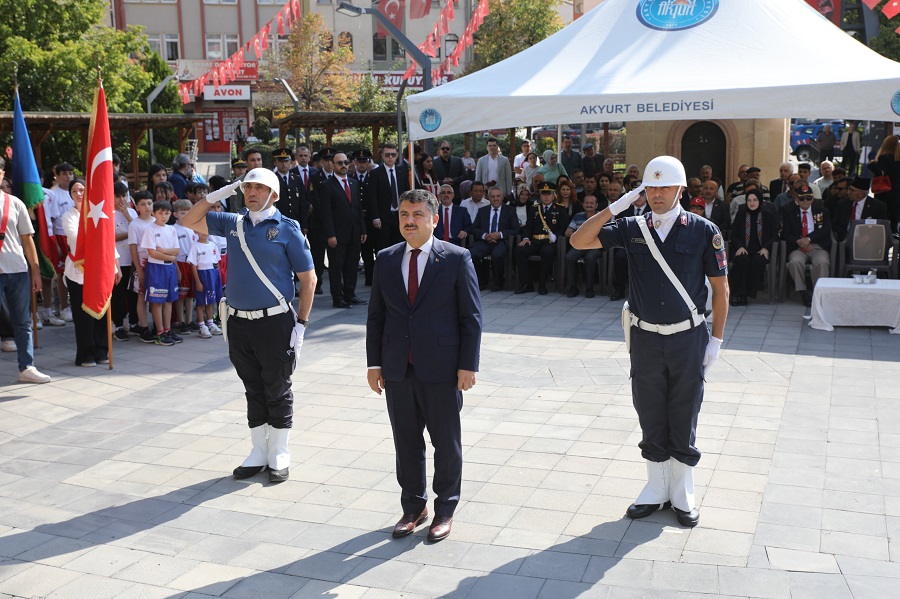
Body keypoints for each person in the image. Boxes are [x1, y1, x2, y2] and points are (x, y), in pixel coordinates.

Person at [571, 155, 729, 528]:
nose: (657, 194)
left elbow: (721, 290)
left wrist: (716, 340)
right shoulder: (632, 227)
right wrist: (618, 205)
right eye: (650, 187)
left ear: (680, 190)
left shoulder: (704, 230)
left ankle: (683, 488)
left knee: (684, 408)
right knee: (650, 408)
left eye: (664, 187)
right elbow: (579, 241)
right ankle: (655, 488)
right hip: (644, 336)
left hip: (688, 337)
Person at [182, 168, 316, 483]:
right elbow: (189, 221)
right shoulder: (232, 222)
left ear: (274, 195)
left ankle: (279, 451)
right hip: (239, 321)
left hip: (275, 321)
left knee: (277, 387)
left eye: (259, 188)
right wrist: (218, 194)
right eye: (248, 187)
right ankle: (258, 450)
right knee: (252, 387)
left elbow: (308, 280)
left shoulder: (287, 230)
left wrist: (302, 325)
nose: (251, 192)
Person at [366, 188, 483, 543]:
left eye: (417, 214)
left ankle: (445, 509)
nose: (409, 221)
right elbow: (376, 317)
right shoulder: (386, 258)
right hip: (398, 368)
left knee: (446, 443)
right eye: (403, 214)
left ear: (434, 219)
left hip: (443, 368)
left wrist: (467, 365)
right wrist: (375, 364)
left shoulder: (456, 258)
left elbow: (471, 317)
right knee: (406, 442)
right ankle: (414, 507)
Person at [0, 157, 52, 383]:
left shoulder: (15, 203)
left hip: (17, 270)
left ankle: (26, 367)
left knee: (22, 320)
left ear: (2, 173)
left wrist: (35, 270)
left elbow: (27, 239)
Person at [61, 179, 122, 365]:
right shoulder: (68, 216)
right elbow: (77, 238)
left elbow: (107, 241)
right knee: (83, 316)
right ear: (70, 195)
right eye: (74, 191)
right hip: (78, 271)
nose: (79, 193)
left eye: (82, 190)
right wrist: (96, 231)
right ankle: (86, 354)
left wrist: (115, 265)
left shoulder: (100, 212)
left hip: (100, 269)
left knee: (101, 311)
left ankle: (102, 350)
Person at [319, 152, 367, 309]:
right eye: (340, 163)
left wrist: (363, 230)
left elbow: (358, 209)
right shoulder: (326, 185)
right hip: (337, 236)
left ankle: (350, 294)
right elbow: (325, 213)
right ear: (333, 165)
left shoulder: (353, 183)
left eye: (346, 162)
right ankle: (338, 298)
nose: (344, 165)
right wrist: (330, 234)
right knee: (336, 268)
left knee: (352, 266)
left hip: (354, 233)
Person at [515, 181, 569, 295]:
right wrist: (525, 238)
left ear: (553, 195)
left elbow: (563, 228)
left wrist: (556, 237)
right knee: (520, 251)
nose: (546, 197)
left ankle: (542, 284)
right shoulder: (535, 208)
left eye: (548, 194)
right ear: (540, 195)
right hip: (534, 241)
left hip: (549, 242)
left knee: (547, 252)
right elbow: (528, 227)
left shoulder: (560, 209)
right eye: (543, 194)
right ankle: (526, 283)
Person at [781, 183, 831, 307]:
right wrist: (799, 241)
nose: (805, 201)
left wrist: (809, 239)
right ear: (797, 199)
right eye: (802, 198)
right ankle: (803, 292)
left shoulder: (822, 211)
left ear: (813, 199)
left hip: (817, 246)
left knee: (822, 262)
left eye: (808, 198)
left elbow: (826, 229)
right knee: (794, 262)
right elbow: (785, 234)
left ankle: (817, 292)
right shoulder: (789, 213)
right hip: (798, 247)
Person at [141, 200, 181, 345]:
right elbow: (152, 252)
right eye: (160, 213)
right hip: (156, 268)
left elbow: (177, 250)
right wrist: (169, 256)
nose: (164, 216)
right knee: (157, 301)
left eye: (166, 213)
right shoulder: (150, 229)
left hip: (169, 268)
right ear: (154, 213)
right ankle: (159, 332)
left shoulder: (171, 229)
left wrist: (163, 251)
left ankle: (168, 329)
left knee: (169, 300)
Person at [729, 190, 778, 306]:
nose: (752, 203)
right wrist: (740, 247)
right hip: (743, 249)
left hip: (761, 250)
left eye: (755, 200)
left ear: (760, 201)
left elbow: (775, 236)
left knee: (757, 261)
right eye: (749, 200)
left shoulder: (768, 215)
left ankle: (747, 294)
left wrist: (766, 248)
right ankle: (738, 294)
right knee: (742, 259)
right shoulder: (741, 214)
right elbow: (734, 234)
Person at [470, 186, 518, 291]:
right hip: (484, 241)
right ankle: (481, 281)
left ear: (502, 197)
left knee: (497, 255)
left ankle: (499, 281)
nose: (495, 199)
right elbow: (474, 228)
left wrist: (499, 234)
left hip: (501, 241)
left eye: (498, 196)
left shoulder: (510, 210)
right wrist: (485, 236)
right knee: (474, 253)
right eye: (493, 197)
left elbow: (515, 230)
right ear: (488, 198)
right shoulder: (482, 211)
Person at [365, 143, 410, 252]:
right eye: (387, 154)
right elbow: (372, 196)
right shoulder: (376, 173)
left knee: (399, 247)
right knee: (383, 247)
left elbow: (406, 193)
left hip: (399, 215)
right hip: (383, 217)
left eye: (393, 155)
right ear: (382, 155)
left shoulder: (402, 171)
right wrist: (375, 216)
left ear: (397, 156)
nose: (390, 157)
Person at [127, 192, 157, 342]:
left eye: (149, 203)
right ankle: (144, 327)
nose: (147, 207)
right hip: (143, 262)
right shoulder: (134, 224)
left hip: (158, 262)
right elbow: (133, 248)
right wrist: (139, 269)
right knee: (141, 296)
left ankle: (159, 326)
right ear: (137, 207)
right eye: (143, 204)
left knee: (157, 295)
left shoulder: (157, 221)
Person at [112, 182, 137, 341]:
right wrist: (130, 233)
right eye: (117, 196)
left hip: (133, 259)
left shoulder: (133, 213)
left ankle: (134, 323)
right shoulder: (107, 213)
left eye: (124, 196)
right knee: (118, 295)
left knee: (133, 294)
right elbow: (110, 238)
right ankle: (118, 325)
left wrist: (128, 216)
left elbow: (140, 231)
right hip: (118, 261)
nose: (121, 199)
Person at [564, 195, 602, 298]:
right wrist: (580, 236)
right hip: (580, 246)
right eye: (586, 203)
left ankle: (590, 289)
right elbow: (568, 232)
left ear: (596, 205)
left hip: (595, 246)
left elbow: (606, 233)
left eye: (592, 203)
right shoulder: (577, 216)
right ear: (583, 205)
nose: (589, 205)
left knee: (590, 258)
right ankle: (573, 288)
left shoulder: (601, 216)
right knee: (569, 257)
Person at [187, 231, 223, 338]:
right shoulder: (195, 246)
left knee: (210, 301)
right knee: (201, 302)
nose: (203, 233)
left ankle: (211, 323)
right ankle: (202, 326)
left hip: (213, 274)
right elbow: (193, 265)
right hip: (202, 275)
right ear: (196, 231)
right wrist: (198, 281)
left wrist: (217, 278)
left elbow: (217, 262)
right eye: (201, 230)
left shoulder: (213, 245)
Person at [832, 176, 889, 243]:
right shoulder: (843, 204)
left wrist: (867, 237)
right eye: (849, 189)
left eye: (852, 190)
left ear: (862, 193)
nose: (848, 192)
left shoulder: (877, 206)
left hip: (868, 241)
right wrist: (848, 237)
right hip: (845, 239)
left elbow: (880, 227)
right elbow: (836, 225)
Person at [868, 135, 900, 233]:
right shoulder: (897, 158)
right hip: (897, 193)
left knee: (882, 221)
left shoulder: (884, 157)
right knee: (894, 222)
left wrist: (872, 165)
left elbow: (881, 172)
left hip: (885, 192)